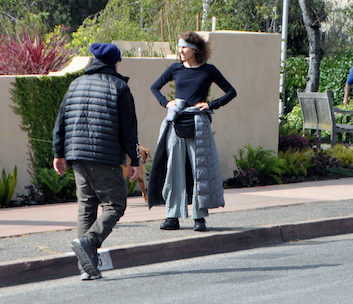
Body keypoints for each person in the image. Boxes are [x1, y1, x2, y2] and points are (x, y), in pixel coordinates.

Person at [52, 43, 141, 281]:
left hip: (76, 155)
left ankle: (85, 267)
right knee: (116, 204)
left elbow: (60, 121)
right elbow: (129, 129)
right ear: (116, 62)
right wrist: (135, 159)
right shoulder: (120, 87)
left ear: (94, 60)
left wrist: (58, 153)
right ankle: (88, 243)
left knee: (87, 207)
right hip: (105, 156)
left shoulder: (75, 84)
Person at [147, 32, 236, 232]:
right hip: (176, 123)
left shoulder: (209, 71)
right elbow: (154, 87)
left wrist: (212, 104)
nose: (180, 51)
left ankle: (199, 217)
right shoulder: (175, 69)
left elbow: (231, 91)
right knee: (174, 170)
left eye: (184, 47)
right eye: (179, 47)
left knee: (200, 171)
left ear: (194, 50)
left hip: (198, 124)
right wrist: (165, 102)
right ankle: (172, 216)